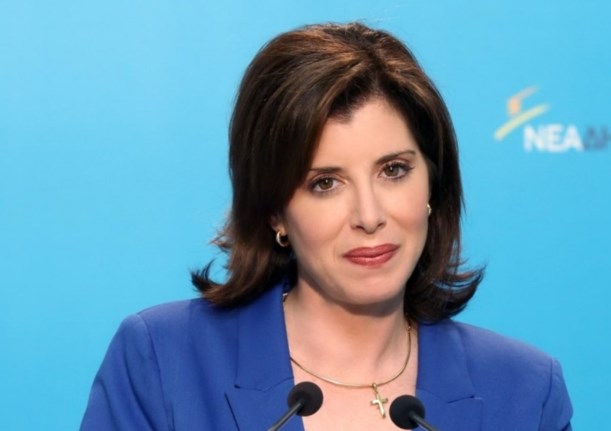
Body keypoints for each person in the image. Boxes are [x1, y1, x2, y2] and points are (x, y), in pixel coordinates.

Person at [81, 22, 573, 430]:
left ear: (433, 184)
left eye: (393, 170)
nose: (369, 216)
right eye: (325, 183)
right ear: (274, 210)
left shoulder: (526, 393)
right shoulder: (163, 361)